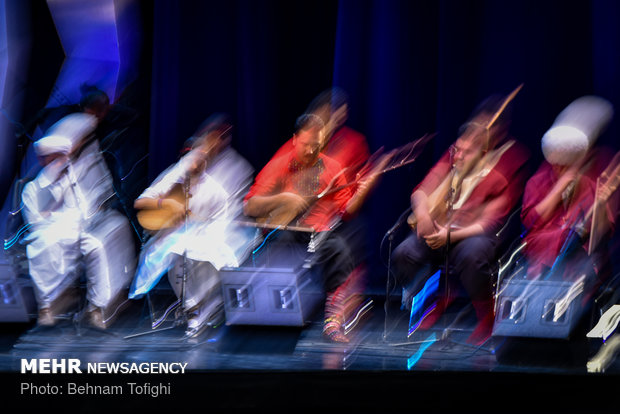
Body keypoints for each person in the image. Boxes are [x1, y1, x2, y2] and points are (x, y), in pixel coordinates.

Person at [392, 95, 529, 346]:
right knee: (404, 253)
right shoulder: (459, 150)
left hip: (477, 232)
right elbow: (423, 190)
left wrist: (450, 235)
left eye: (486, 129)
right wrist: (423, 216)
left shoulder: (512, 158)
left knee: (470, 256)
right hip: (442, 226)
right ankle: (437, 296)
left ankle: (487, 318)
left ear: (499, 131)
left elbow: (493, 218)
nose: (477, 133)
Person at [243, 113, 383, 342]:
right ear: (295, 139)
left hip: (317, 234)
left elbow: (346, 211)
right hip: (284, 231)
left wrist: (363, 189)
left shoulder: (332, 167)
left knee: (340, 250)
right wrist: (283, 199)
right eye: (305, 145)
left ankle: (332, 320)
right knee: (279, 247)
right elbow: (250, 206)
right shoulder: (279, 165)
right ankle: (269, 316)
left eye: (315, 146)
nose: (309, 151)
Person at [129, 114, 256, 338]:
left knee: (205, 252)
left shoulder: (235, 170)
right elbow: (142, 200)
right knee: (173, 250)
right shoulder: (183, 169)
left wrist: (199, 224)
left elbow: (228, 213)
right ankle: (191, 307)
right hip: (184, 231)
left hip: (223, 230)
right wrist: (165, 203)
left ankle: (208, 306)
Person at [21, 112, 136, 328]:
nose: (56, 161)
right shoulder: (34, 189)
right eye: (51, 157)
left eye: (59, 156)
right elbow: (37, 223)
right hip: (55, 231)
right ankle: (53, 301)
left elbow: (93, 203)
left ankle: (102, 305)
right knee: (45, 244)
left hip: (89, 225)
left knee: (102, 242)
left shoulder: (79, 172)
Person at [521, 96, 616, 299]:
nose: (561, 168)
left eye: (567, 163)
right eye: (557, 162)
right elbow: (531, 221)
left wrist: (600, 205)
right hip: (543, 248)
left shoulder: (588, 185)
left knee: (578, 248)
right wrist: (557, 190)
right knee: (563, 238)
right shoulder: (537, 182)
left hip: (579, 254)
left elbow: (600, 235)